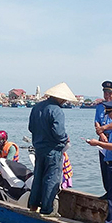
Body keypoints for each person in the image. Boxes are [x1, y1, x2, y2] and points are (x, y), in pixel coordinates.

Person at [27, 82, 76, 215]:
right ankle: (47, 210)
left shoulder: (37, 107)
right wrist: (65, 138)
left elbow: (31, 128)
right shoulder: (57, 110)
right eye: (64, 99)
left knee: (38, 176)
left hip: (39, 148)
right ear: (60, 98)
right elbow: (58, 132)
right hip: (53, 150)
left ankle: (33, 205)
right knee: (51, 179)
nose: (65, 101)